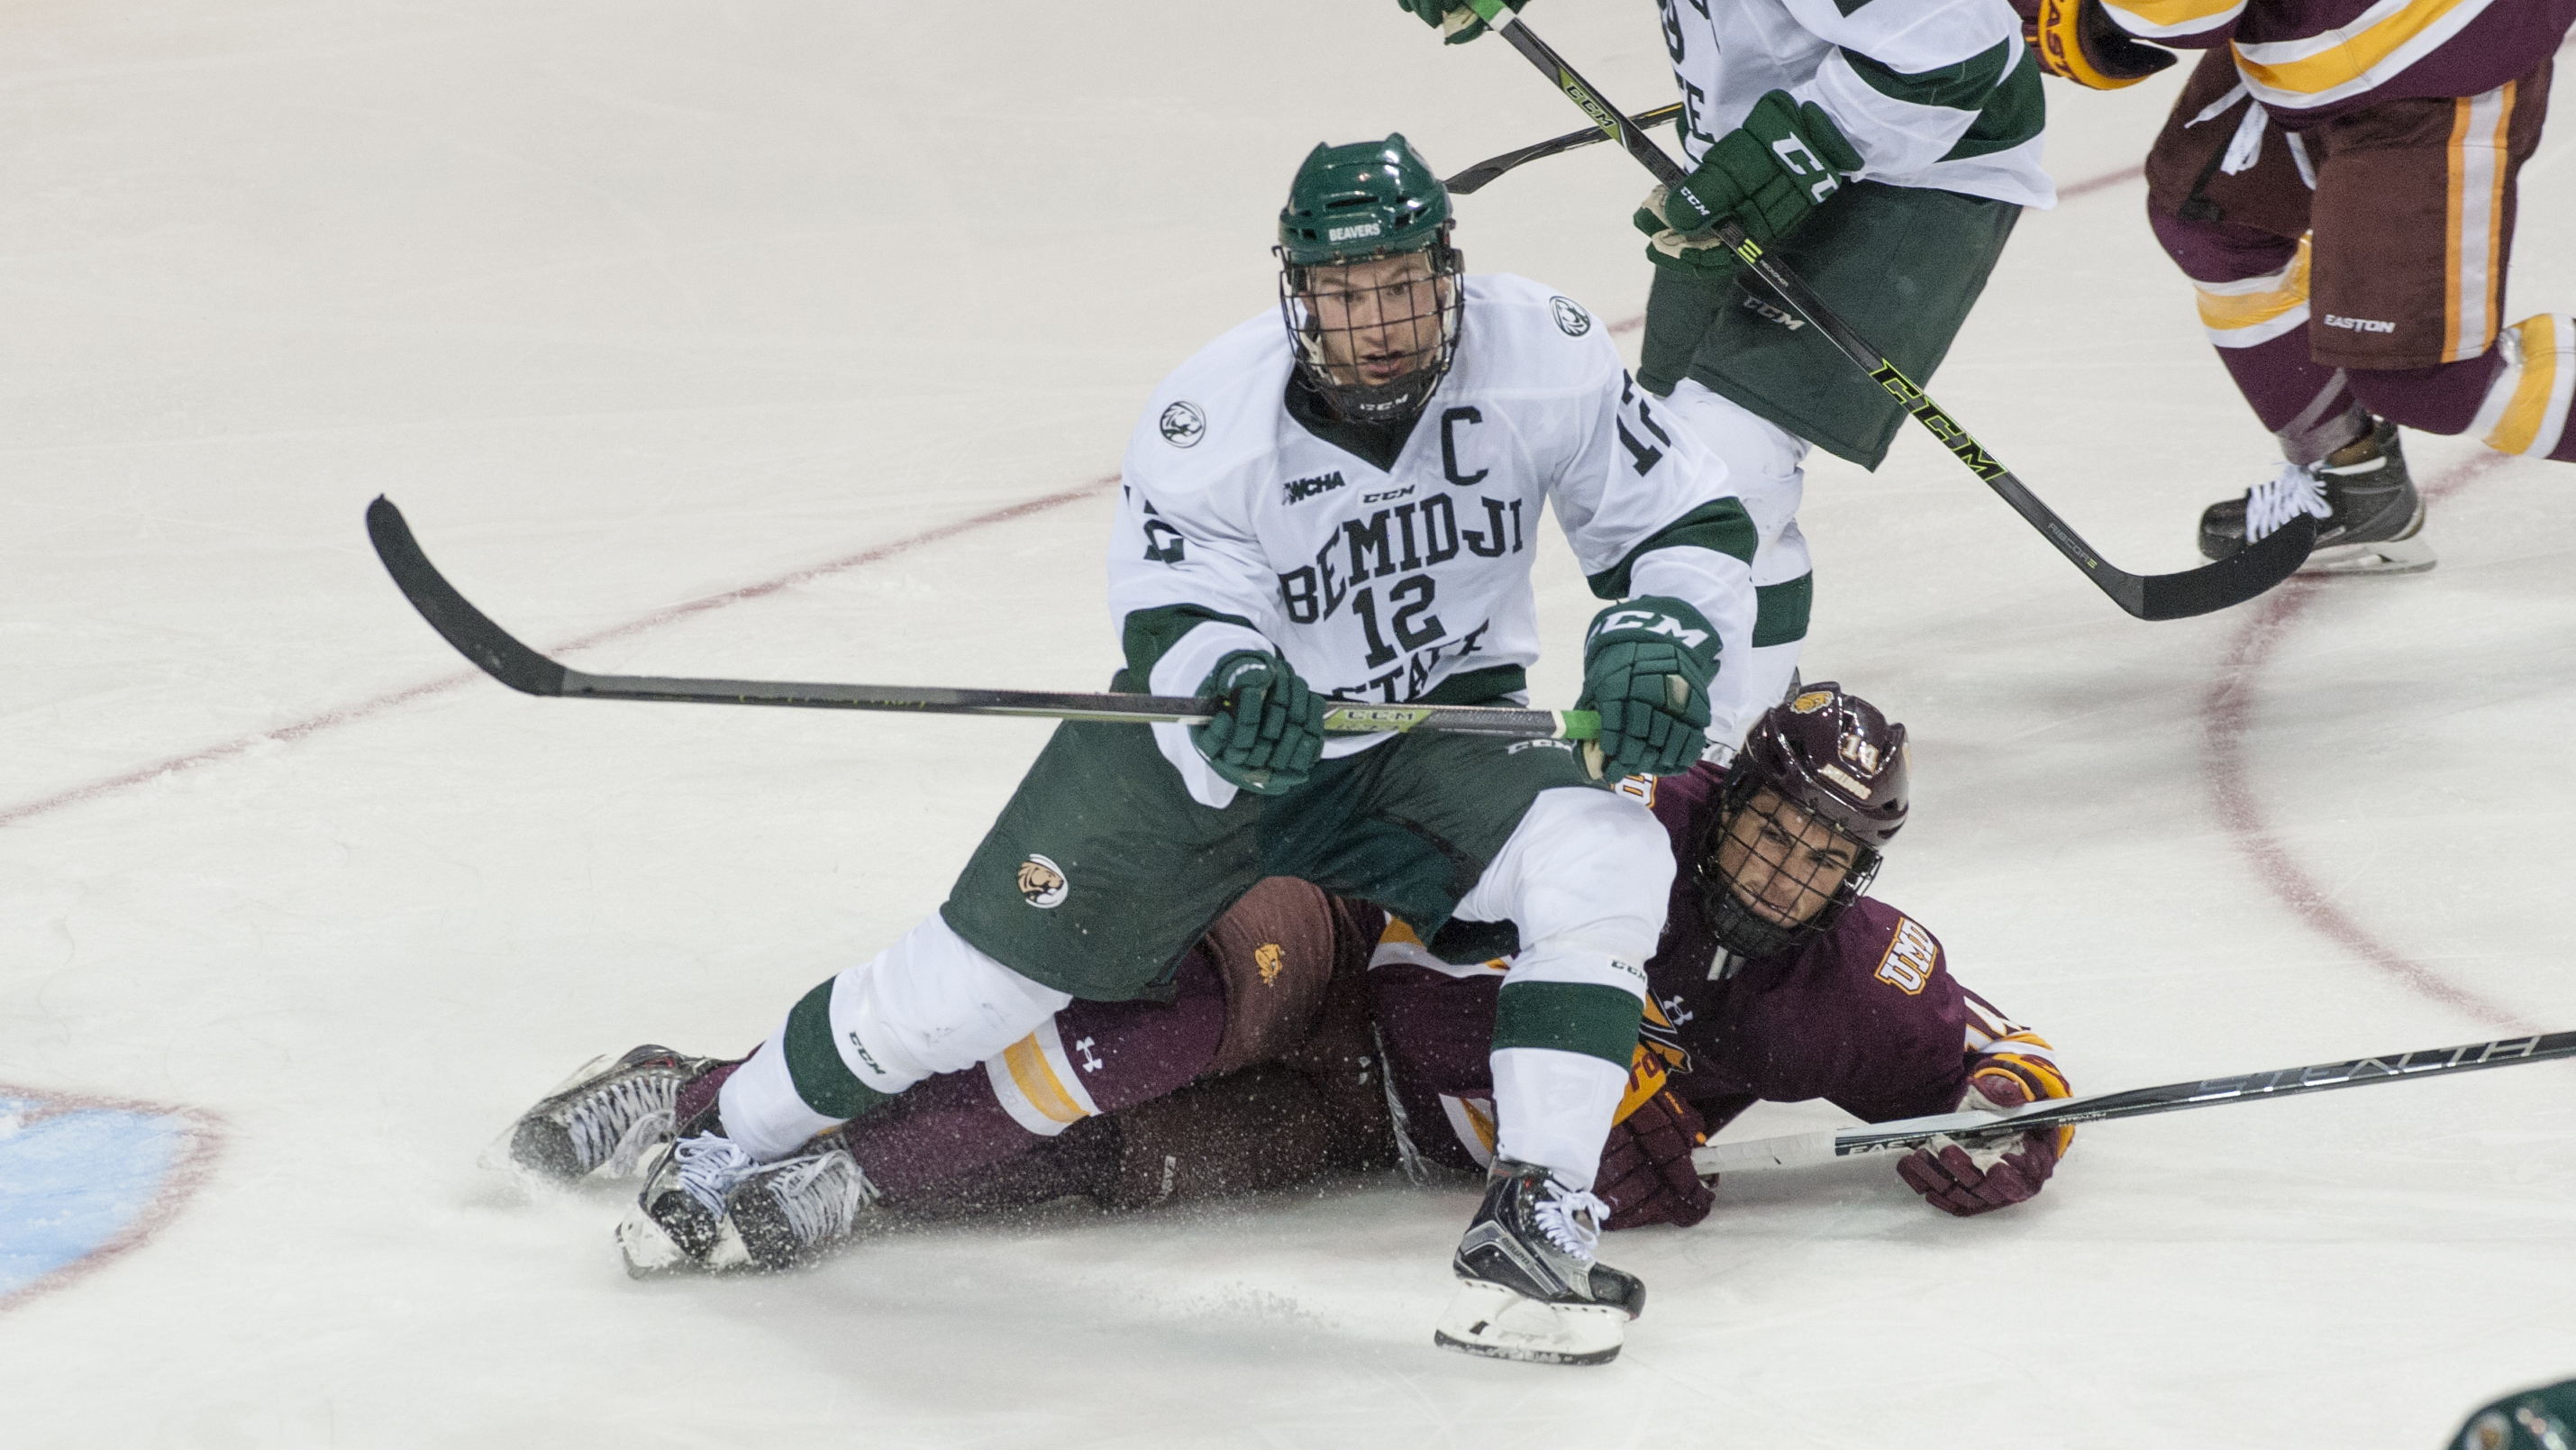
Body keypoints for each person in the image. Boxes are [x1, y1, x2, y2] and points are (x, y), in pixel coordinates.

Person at [553, 133, 1765, 1359]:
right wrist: (1230, 679)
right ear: (1298, 296)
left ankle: (1534, 1217)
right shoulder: (1211, 417)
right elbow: (1172, 609)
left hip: (1418, 733)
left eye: (1402, 284)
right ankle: (728, 1134)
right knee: (963, 994)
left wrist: (1660, 638)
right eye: (1347, 295)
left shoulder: (1540, 354)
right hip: (1208, 762)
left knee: (1607, 855)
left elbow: (1687, 511)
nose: (1380, 320)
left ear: (1445, 275)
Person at [510, 685, 2072, 1298]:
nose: (1789, 864)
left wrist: (2009, 1121)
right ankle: (711, 1092)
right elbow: (1426, 954)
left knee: (1095, 1165)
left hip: (1367, 1127)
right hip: (1341, 930)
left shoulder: (1846, 982)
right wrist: (1607, 1092)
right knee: (1179, 1000)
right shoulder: (1618, 820)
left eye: (1826, 850)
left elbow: (2002, 1056)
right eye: (1774, 822)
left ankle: (863, 1170)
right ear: (1725, 797)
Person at [1400, 0, 2052, 748]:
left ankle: (1706, 756)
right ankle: (1757, 707)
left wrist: (1787, 155)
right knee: (1670, 463)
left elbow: (1952, 43)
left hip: (1921, 160)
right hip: (1756, 146)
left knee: (1722, 465)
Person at [2019, 0, 2575, 573]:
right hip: (2325, 38)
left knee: (2425, 381)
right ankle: (2353, 485)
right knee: (2215, 224)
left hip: (2425, 56)